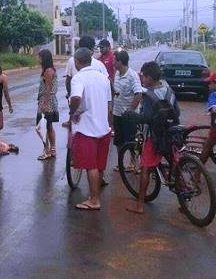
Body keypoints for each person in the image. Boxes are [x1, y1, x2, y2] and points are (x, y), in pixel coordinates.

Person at [126, 61, 180, 215]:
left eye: (143, 76)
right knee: (176, 163)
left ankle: (140, 205)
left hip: (155, 136)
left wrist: (134, 117)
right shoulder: (168, 89)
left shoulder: (149, 95)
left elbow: (147, 118)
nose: (142, 79)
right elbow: (177, 111)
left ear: (149, 77)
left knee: (146, 168)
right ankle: (185, 196)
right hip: (173, 133)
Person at [69, 47, 113, 211]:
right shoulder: (103, 78)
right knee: (99, 165)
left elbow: (76, 98)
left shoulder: (78, 78)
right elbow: (109, 104)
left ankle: (94, 200)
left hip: (87, 129)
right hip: (104, 129)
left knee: (90, 166)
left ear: (77, 61)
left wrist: (73, 111)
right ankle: (94, 196)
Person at [112, 50, 143, 170]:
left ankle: (133, 163)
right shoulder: (117, 74)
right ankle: (121, 163)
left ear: (120, 62)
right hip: (117, 112)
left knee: (131, 140)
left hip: (129, 115)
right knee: (118, 140)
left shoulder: (132, 75)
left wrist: (130, 110)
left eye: (115, 60)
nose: (113, 62)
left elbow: (138, 94)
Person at [36, 49, 59, 160]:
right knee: (48, 126)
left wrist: (45, 103)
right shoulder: (48, 70)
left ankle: (47, 150)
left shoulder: (48, 71)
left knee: (41, 127)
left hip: (47, 101)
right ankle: (52, 149)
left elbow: (48, 88)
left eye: (39, 57)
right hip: (49, 100)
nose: (38, 59)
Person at [199, 72, 216, 164]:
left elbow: (213, 109)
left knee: (207, 146)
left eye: (210, 83)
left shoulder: (213, 95)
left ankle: (197, 174)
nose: (208, 85)